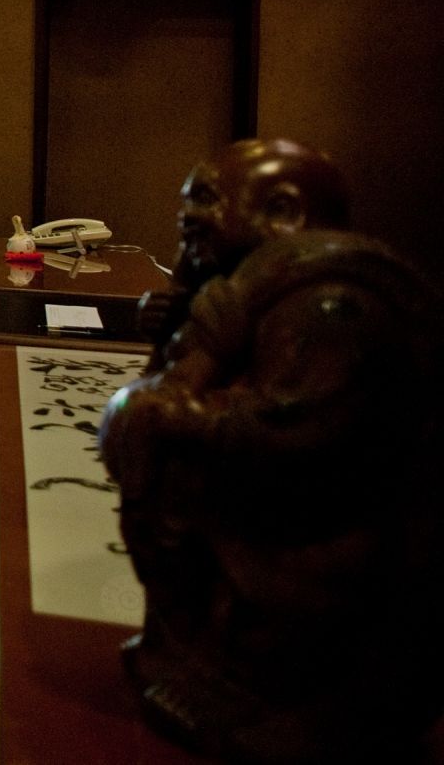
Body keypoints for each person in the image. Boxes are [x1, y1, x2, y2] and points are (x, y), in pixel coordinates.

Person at [98, 139, 444, 760]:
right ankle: (211, 668)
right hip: (281, 514)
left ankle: (278, 701)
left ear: (283, 212)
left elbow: (294, 429)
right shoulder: (259, 291)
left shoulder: (333, 307)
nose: (186, 217)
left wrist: (180, 414)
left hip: (327, 537)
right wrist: (180, 330)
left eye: (205, 199)